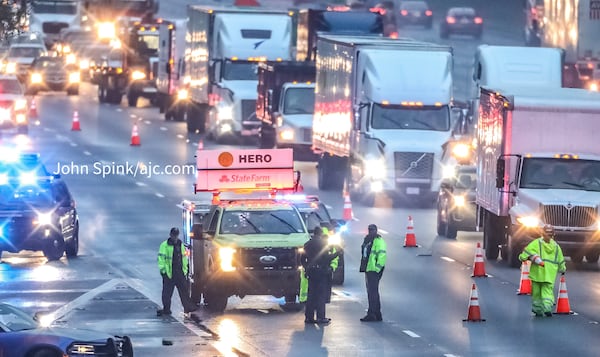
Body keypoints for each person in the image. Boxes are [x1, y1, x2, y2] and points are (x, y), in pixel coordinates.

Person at [519, 224, 566, 317]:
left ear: (542, 233)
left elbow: (526, 253)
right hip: (549, 274)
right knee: (547, 292)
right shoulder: (556, 247)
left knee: (536, 293)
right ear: (553, 234)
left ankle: (538, 310)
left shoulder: (536, 243)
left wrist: (522, 258)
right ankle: (547, 308)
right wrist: (562, 269)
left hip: (537, 273)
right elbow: (560, 260)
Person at [301, 227, 338, 324]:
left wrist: (306, 268)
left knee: (311, 295)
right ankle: (320, 317)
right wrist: (338, 253)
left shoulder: (307, 244)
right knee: (320, 295)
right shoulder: (323, 244)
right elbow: (327, 258)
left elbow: (302, 259)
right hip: (321, 272)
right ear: (321, 234)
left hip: (311, 272)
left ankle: (309, 317)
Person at [157, 227, 197, 317]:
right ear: (170, 235)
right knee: (167, 293)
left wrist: (185, 271)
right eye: (173, 235)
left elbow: (184, 258)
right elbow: (161, 259)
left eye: (176, 235)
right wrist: (163, 272)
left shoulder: (180, 244)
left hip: (179, 272)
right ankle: (166, 309)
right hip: (169, 273)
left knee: (184, 292)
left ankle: (188, 307)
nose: (175, 237)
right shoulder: (164, 245)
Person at [360, 224, 387, 322]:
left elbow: (382, 256)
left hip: (374, 270)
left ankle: (372, 313)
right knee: (372, 292)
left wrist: (377, 269)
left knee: (373, 292)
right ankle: (376, 313)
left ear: (376, 230)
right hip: (368, 269)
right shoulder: (367, 239)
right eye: (369, 230)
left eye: (372, 230)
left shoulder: (379, 241)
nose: (371, 231)